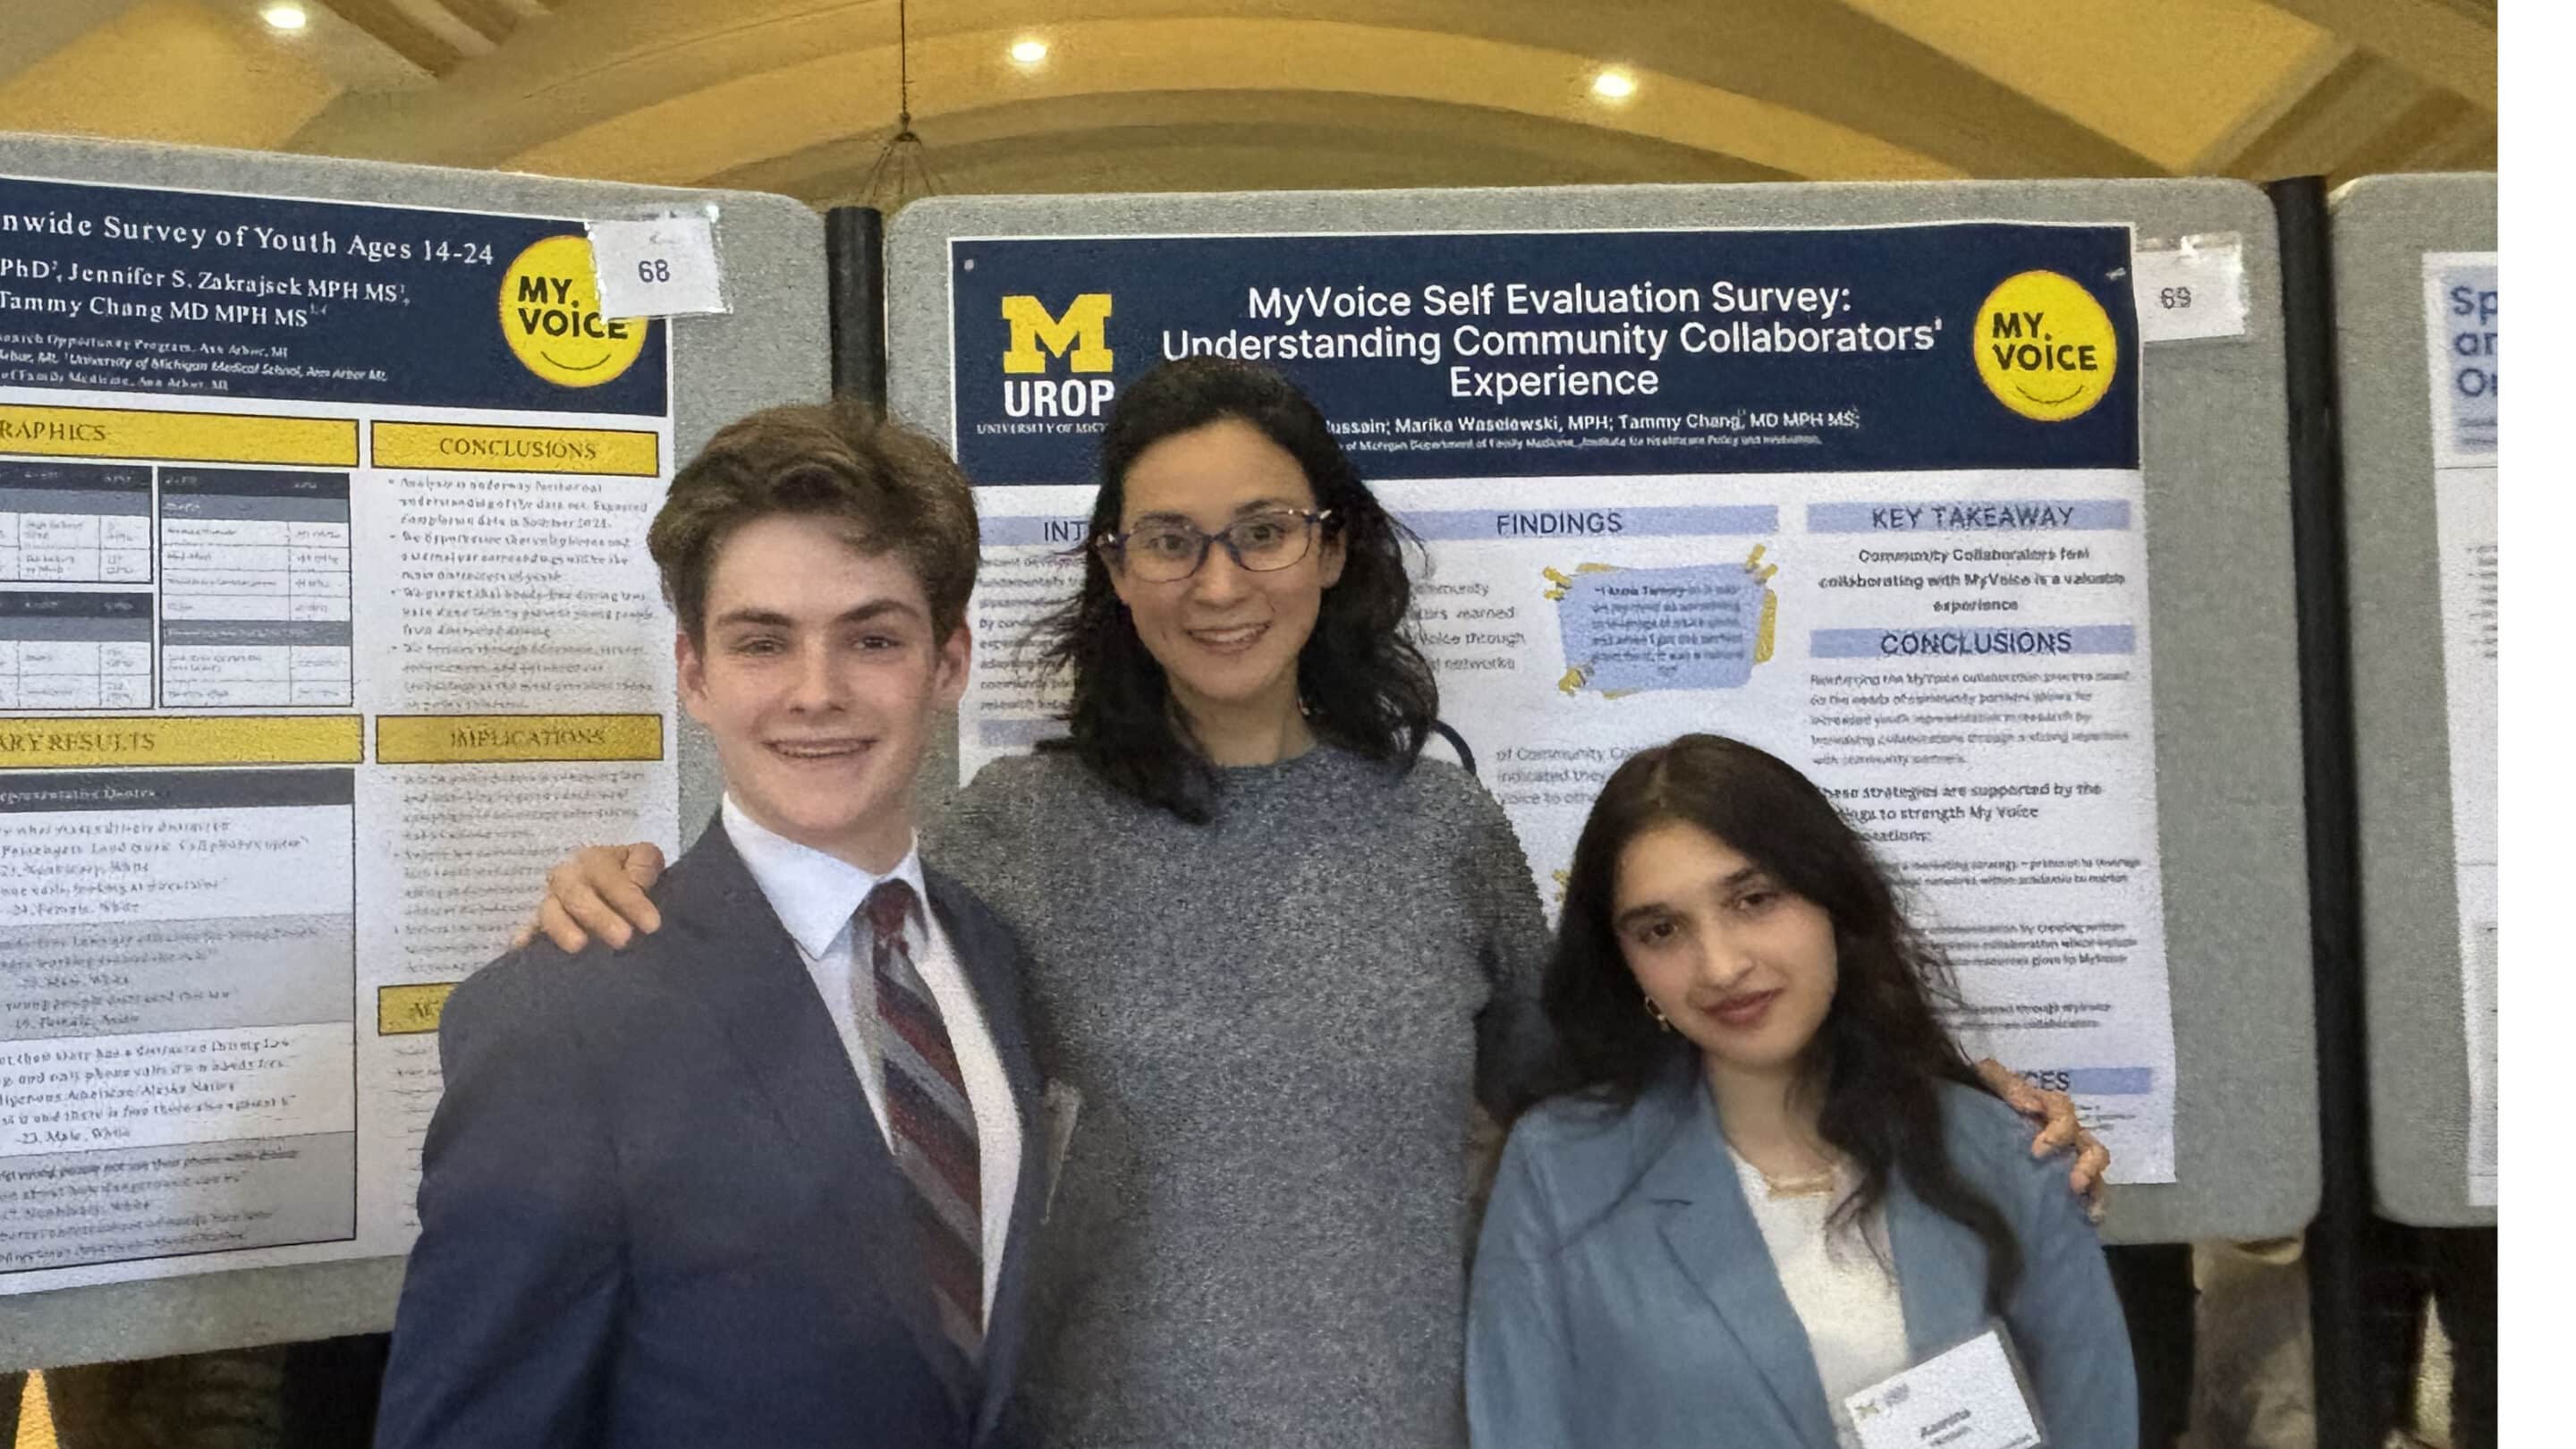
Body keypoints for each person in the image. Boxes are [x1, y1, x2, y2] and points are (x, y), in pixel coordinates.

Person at [524, 359, 2107, 1446]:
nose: (1221, 583)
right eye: (1170, 541)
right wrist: (628, 882)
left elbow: (1643, 1087)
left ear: (1331, 551)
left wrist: (1946, 1106)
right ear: (1118, 572)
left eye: (1264, 531)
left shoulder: (1440, 829)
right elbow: (816, 944)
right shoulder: (1009, 829)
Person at [374, 402, 1050, 1449]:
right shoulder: (562, 1020)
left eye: (872, 638)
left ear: (948, 663)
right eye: (762, 644)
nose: (816, 693)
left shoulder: (991, 958)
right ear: (694, 674)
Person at [1468, 733, 2136, 1449]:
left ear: (1832, 902)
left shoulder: (2006, 1152)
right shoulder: (1562, 1169)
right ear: (1624, 961)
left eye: (1754, 900)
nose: (1721, 966)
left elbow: (2094, 1421)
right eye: (1662, 930)